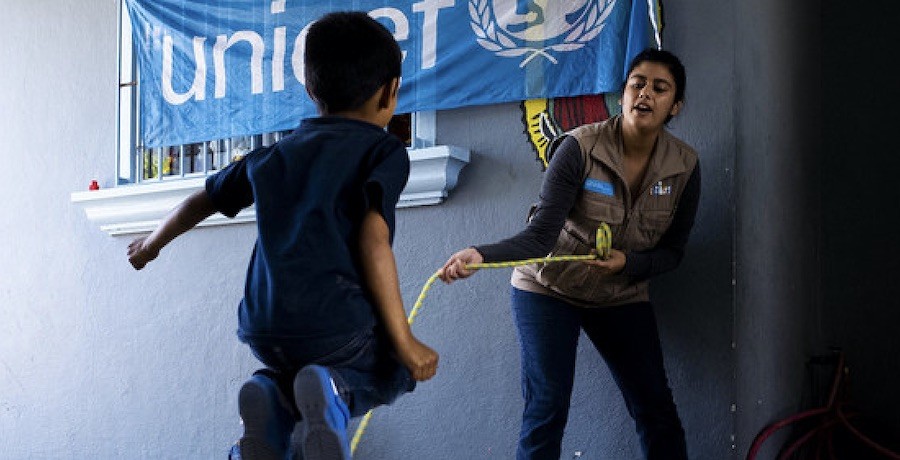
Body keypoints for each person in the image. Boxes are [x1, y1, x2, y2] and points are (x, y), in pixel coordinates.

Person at [127, 11, 438, 460]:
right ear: (391, 91)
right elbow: (373, 240)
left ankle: (270, 393)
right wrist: (406, 342)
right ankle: (335, 390)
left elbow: (201, 200)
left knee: (298, 379)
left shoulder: (272, 155)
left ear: (310, 90)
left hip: (264, 325)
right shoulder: (382, 151)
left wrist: (150, 245)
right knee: (392, 368)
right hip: (333, 325)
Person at [439, 48, 699, 460]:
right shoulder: (580, 147)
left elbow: (673, 252)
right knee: (547, 407)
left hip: (620, 293)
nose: (645, 93)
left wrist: (629, 264)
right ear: (623, 94)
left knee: (655, 407)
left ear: (676, 106)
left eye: (659, 88)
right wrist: (480, 254)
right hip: (547, 288)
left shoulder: (685, 166)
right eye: (637, 84)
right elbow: (540, 236)